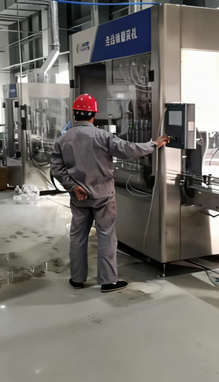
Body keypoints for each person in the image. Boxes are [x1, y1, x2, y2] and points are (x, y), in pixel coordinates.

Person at [50, 94, 169, 293]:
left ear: (75, 114)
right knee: (106, 236)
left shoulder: (63, 139)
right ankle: (108, 282)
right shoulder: (103, 137)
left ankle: (77, 279)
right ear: (94, 115)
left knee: (77, 237)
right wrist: (153, 144)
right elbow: (129, 150)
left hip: (79, 197)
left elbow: (56, 168)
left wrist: (74, 187)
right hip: (103, 196)